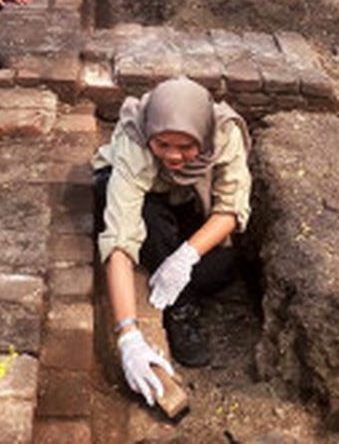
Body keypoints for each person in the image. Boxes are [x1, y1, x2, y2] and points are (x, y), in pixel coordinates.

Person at [93, 76, 252, 407]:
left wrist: (186, 256)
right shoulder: (136, 137)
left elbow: (230, 208)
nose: (174, 156)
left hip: (188, 196)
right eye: (163, 144)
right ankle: (180, 309)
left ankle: (173, 278)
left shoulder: (224, 133)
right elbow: (120, 240)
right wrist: (128, 336)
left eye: (185, 146)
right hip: (145, 202)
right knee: (151, 221)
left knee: (225, 266)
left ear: (204, 136)